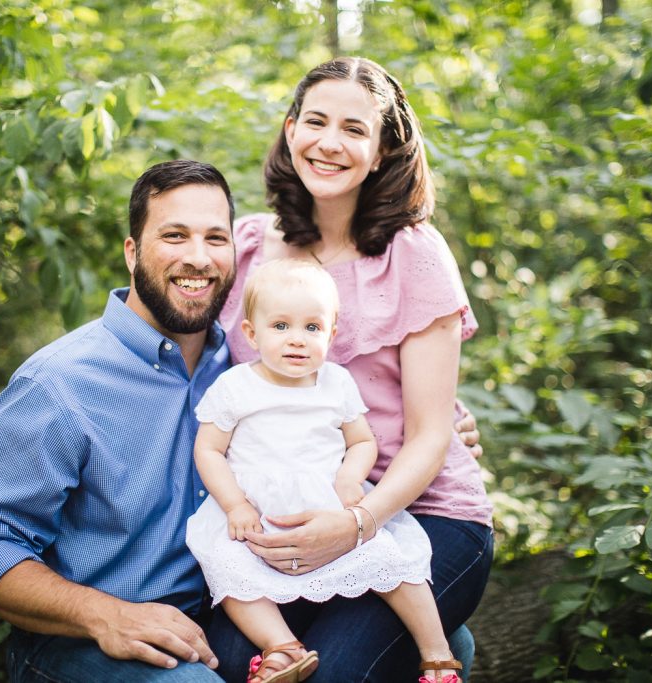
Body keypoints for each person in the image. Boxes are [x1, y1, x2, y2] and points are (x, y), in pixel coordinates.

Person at [0, 159, 483, 682]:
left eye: (215, 238)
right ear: (132, 252)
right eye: (174, 236)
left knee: (441, 643)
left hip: (233, 606)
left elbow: (346, 402)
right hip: (92, 636)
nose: (198, 257)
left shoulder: (249, 365)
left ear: (235, 252)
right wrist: (106, 615)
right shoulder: (60, 384)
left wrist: (444, 422)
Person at [208, 57, 494, 682]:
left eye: (354, 129)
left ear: (384, 151)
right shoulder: (249, 247)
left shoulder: (413, 253)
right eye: (315, 121)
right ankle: (442, 637)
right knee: (232, 663)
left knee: (337, 671)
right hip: (286, 508)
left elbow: (428, 433)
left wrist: (356, 525)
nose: (329, 143)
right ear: (289, 130)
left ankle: (431, 627)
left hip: (423, 511)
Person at [187, 258, 462, 683]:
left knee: (391, 561)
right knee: (227, 570)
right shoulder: (236, 386)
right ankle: (282, 647)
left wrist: (350, 477)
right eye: (280, 326)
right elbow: (208, 450)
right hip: (258, 515)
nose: (297, 340)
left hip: (329, 505)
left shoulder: (335, 383)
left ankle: (438, 656)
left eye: (312, 328)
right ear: (251, 333)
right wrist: (234, 503)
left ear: (331, 334)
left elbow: (362, 441)